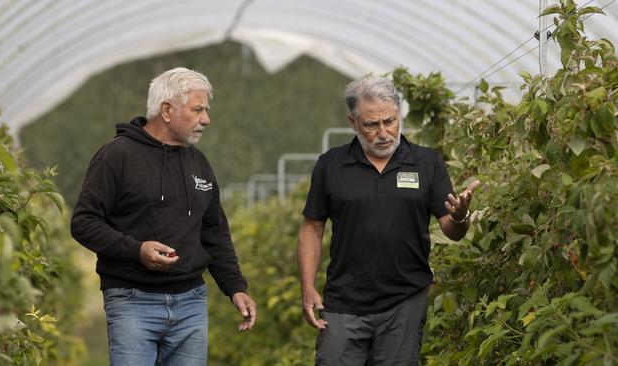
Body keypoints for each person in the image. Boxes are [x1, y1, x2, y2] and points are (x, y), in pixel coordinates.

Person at [71, 67, 257, 365]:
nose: (206, 120)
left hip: (191, 302)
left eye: (206, 110)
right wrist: (137, 250)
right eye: (197, 110)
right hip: (132, 300)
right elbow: (84, 222)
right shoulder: (117, 156)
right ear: (167, 110)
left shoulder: (199, 162)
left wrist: (235, 287)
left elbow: (214, 232)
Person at [297, 75, 480, 365]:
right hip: (344, 301)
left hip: (404, 299)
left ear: (398, 115)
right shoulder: (331, 166)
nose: (384, 132)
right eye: (372, 124)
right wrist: (307, 288)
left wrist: (460, 218)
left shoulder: (426, 163)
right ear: (353, 122)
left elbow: (452, 229)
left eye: (390, 121)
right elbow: (312, 228)